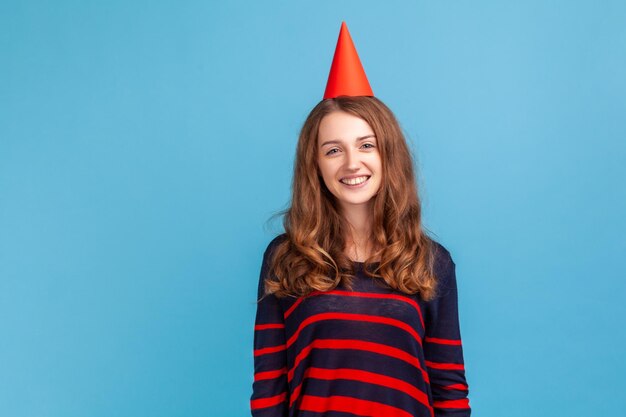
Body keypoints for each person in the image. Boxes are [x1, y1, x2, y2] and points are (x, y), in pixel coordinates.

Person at [250, 22, 471, 417]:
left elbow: (449, 387)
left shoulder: (431, 262)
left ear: (388, 155)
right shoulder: (285, 258)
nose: (352, 163)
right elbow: (269, 388)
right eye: (333, 150)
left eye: (366, 145)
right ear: (315, 165)